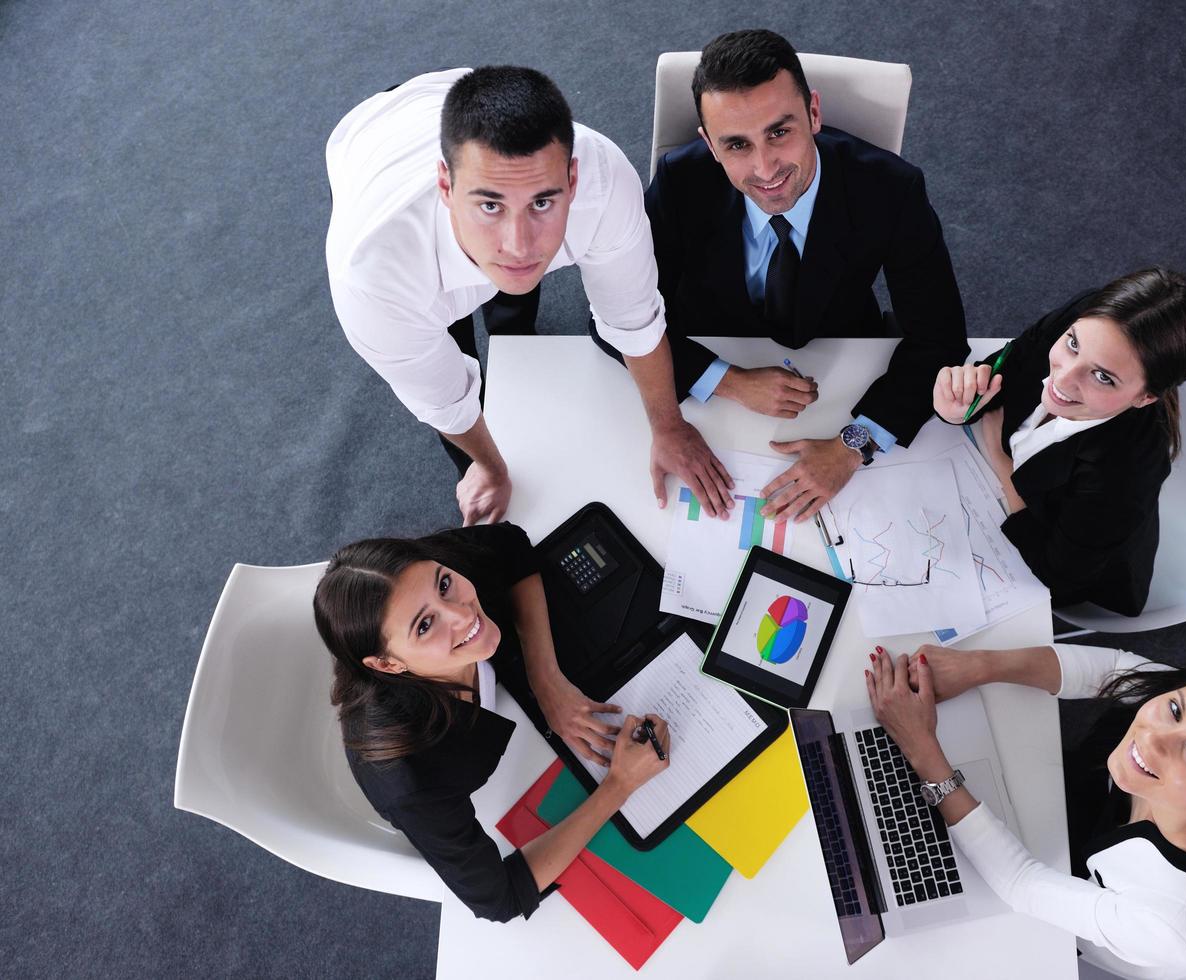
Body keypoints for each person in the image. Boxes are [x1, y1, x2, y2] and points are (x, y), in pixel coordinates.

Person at [326, 66, 731, 526]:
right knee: (451, 343)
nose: (519, 244)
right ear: (446, 186)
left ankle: (511, 324)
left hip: (453, 95)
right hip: (371, 138)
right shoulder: (376, 282)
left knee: (512, 296)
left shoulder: (605, 182)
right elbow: (445, 399)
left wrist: (668, 425)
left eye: (542, 202)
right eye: (490, 205)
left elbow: (634, 318)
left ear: (573, 181)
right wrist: (491, 469)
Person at [601, 29, 969, 523]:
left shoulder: (892, 189)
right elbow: (613, 319)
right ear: (709, 144)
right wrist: (728, 381)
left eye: (779, 131)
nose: (765, 168)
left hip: (837, 353)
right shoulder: (679, 181)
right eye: (736, 144)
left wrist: (850, 447)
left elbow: (941, 341)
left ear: (814, 113)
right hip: (708, 354)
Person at [866, 643, 1186, 980]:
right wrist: (980, 666)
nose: (1153, 737)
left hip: (1074, 929)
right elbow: (1120, 671)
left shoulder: (1172, 924)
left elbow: (1023, 885)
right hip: (1079, 828)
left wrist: (922, 749)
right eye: (1175, 709)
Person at [312, 523, 670, 923]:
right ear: (388, 665)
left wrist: (545, 678)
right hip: (483, 795)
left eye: (445, 584)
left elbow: (510, 544)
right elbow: (500, 897)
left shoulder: (424, 574)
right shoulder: (410, 782)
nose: (463, 613)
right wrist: (619, 786)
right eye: (425, 626)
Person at [933, 268, 1186, 615]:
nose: (1061, 380)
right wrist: (957, 405)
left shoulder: (1124, 475)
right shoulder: (1083, 319)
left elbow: (1060, 579)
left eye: (1102, 376)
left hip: (1069, 564)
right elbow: (1007, 368)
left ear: (1145, 397)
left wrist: (1001, 463)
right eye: (1072, 345)